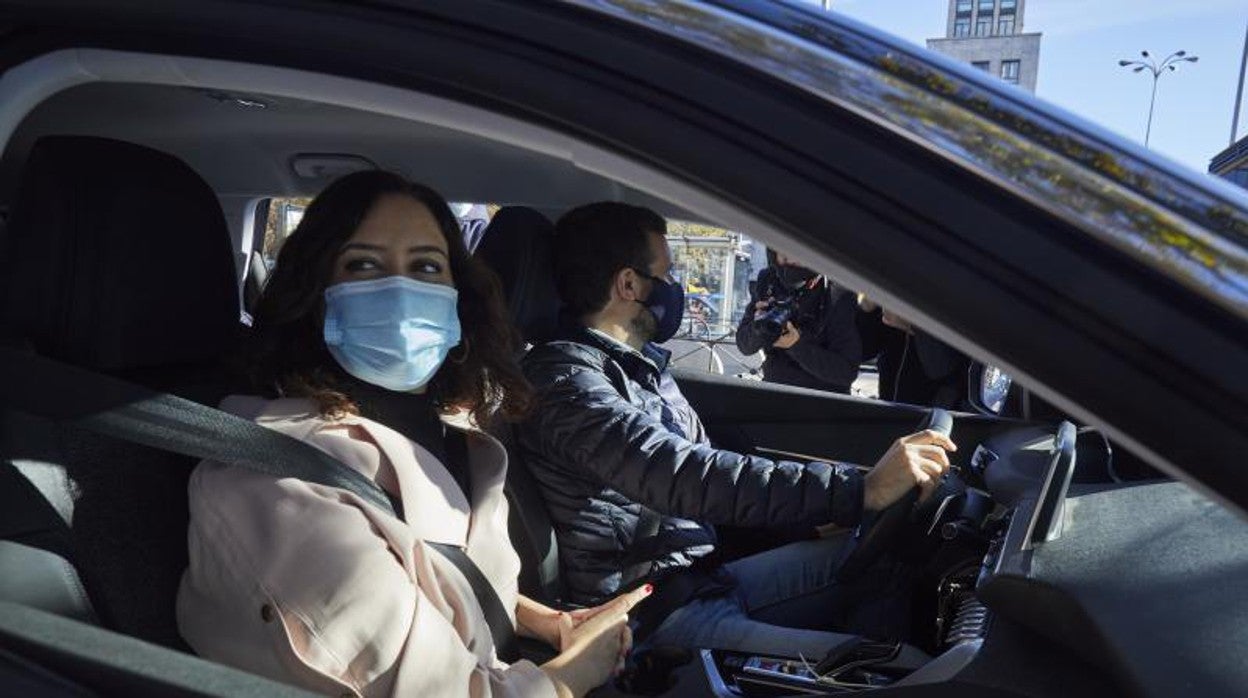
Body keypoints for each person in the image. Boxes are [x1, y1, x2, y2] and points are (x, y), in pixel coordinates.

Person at [176, 172, 651, 698]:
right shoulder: (273, 484)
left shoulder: (453, 430)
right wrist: (577, 672)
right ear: (317, 293)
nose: (400, 290)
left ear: (457, 296)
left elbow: (441, 577)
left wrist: (546, 622)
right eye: (363, 265)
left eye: (426, 265)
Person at [518, 202, 956, 660]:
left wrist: (809, 518)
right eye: (666, 277)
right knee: (907, 668)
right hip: (653, 614)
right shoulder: (564, 381)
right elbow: (681, 474)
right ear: (628, 284)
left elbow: (711, 473)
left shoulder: (638, 367)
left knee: (886, 559)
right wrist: (858, 489)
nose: (675, 290)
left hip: (704, 577)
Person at [736, 252, 863, 394]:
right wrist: (758, 327)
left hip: (823, 399)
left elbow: (846, 372)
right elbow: (744, 345)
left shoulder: (838, 292)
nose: (791, 259)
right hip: (775, 391)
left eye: (798, 255)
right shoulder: (769, 280)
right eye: (783, 255)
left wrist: (796, 346)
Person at [858, 297, 972, 409]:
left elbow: (942, 367)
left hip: (936, 411)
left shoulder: (951, 298)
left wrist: (912, 327)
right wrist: (867, 310)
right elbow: (862, 352)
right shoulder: (892, 293)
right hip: (889, 406)